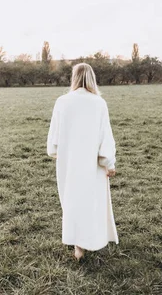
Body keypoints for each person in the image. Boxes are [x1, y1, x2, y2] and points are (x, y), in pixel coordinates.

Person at [47, 63, 118, 261]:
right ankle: (87, 241)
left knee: (72, 201)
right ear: (92, 78)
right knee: (90, 201)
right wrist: (108, 162)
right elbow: (106, 136)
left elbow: (54, 137)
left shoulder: (62, 101)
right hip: (92, 163)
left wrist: (57, 152)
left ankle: (78, 245)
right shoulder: (99, 103)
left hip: (68, 162)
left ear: (74, 78)